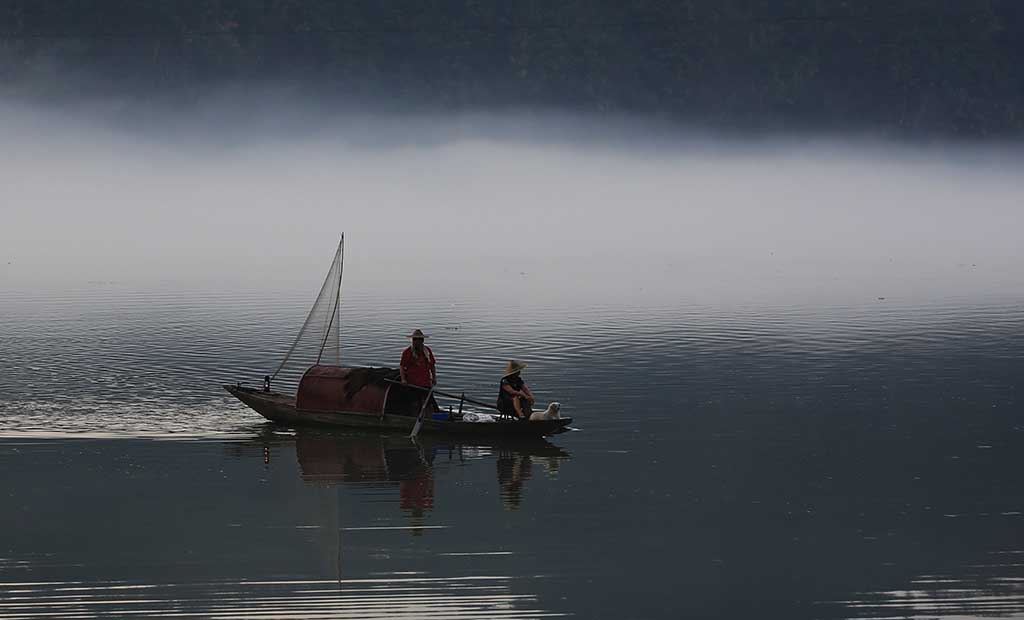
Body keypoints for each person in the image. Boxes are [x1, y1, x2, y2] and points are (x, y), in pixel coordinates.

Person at [399, 329, 438, 415]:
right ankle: (414, 418)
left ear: (422, 341)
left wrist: (434, 377)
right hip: (412, 383)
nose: (417, 342)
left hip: (426, 383)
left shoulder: (427, 351)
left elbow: (432, 365)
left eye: (419, 340)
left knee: (430, 404)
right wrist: (403, 379)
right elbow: (402, 366)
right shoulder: (407, 352)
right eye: (415, 340)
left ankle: (431, 417)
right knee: (415, 404)